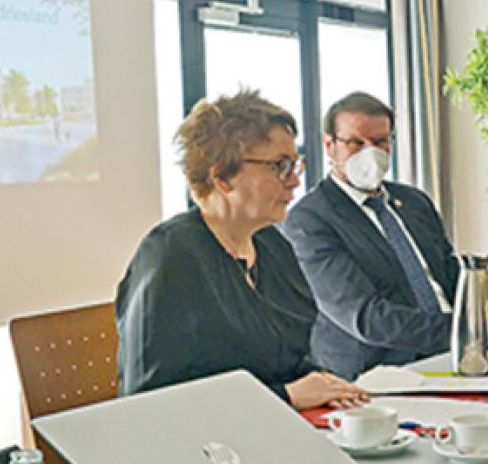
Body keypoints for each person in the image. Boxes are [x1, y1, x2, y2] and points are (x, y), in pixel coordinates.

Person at [116, 89, 366, 410]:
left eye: (295, 164)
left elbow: (289, 358)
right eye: (279, 166)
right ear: (222, 177)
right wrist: (286, 397)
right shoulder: (169, 256)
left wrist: (326, 383)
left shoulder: (273, 243)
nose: (293, 181)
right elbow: (153, 404)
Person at [283, 92, 488, 380]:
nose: (371, 153)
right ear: (330, 146)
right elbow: (367, 319)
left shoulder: (414, 201)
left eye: (380, 142)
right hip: (379, 372)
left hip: (456, 356)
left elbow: (451, 276)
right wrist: (477, 328)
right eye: (356, 143)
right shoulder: (308, 220)